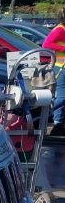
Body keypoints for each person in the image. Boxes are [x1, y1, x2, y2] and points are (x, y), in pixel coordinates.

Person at [42, 8, 65, 136]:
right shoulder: (60, 29)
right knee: (62, 97)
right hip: (61, 67)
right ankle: (53, 120)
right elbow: (46, 44)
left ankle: (58, 123)